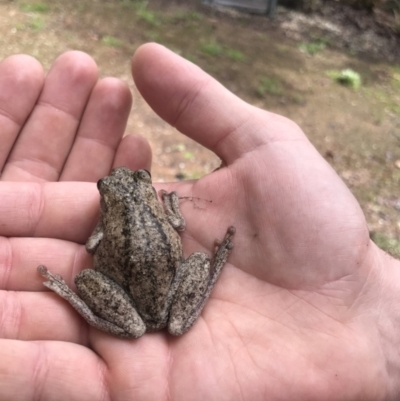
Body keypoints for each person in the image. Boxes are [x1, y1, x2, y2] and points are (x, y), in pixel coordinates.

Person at [0, 43, 398, 401]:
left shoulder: (104, 222)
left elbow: (90, 249)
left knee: (87, 280)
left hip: (133, 300)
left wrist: (92, 247)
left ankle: (74, 299)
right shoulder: (155, 206)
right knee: (196, 264)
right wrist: (172, 207)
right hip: (167, 294)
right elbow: (176, 224)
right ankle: (98, 296)